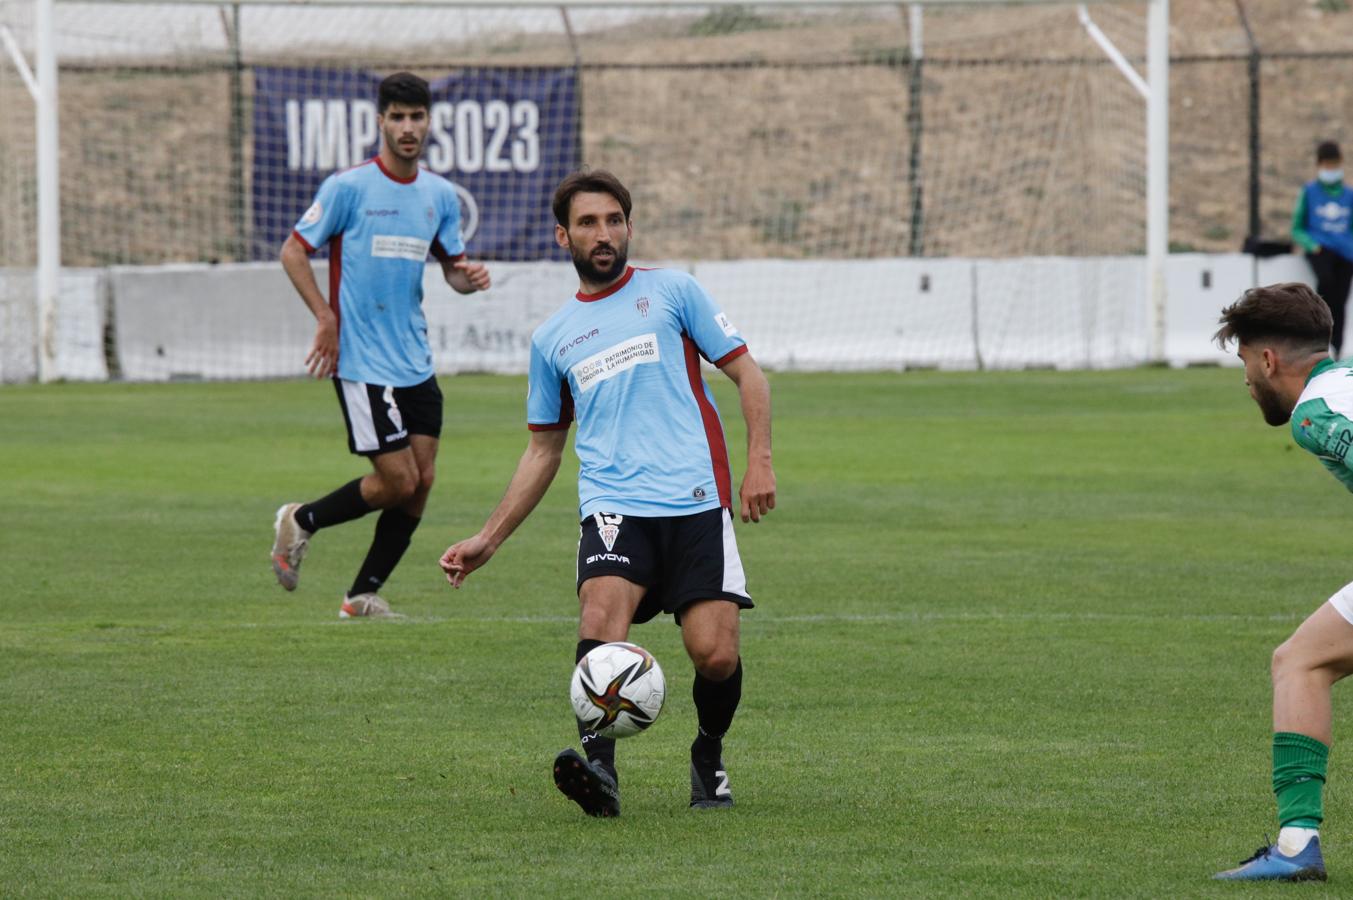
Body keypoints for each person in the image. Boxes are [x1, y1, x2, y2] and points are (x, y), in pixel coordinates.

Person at [438, 169, 776, 817]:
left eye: (614, 220)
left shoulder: (673, 293)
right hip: (614, 510)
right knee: (599, 621)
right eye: (588, 223)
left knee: (714, 654)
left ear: (627, 226)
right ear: (563, 235)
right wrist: (489, 537)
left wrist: (758, 460)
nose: (604, 233)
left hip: (696, 504)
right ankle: (599, 773)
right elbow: (543, 449)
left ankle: (707, 753)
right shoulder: (553, 338)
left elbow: (746, 373)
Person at [270, 72, 491, 619]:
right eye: (398, 117)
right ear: (381, 121)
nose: (409, 127)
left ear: (429, 122)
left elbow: (451, 270)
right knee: (397, 479)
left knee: (421, 484)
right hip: (363, 362)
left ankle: (360, 596)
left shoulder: (439, 195)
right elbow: (293, 252)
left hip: (415, 359)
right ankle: (302, 521)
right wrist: (326, 316)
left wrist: (469, 278)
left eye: (417, 117)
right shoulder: (348, 188)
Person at [1212, 282, 1350, 882]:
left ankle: (1298, 847)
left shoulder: (1318, 415)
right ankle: (1297, 846)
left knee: (1300, 663)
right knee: (1300, 660)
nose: (1246, 381)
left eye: (1244, 363)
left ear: (1267, 360)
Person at [1292, 140, 1353, 356]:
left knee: (1341, 299)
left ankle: (1337, 347)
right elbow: (1297, 227)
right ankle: (1320, 342)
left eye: (1334, 164)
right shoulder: (1309, 192)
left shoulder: (1348, 195)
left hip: (1346, 253)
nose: (1331, 169)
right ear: (1319, 164)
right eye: (1327, 164)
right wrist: (1312, 245)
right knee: (1325, 289)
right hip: (1321, 250)